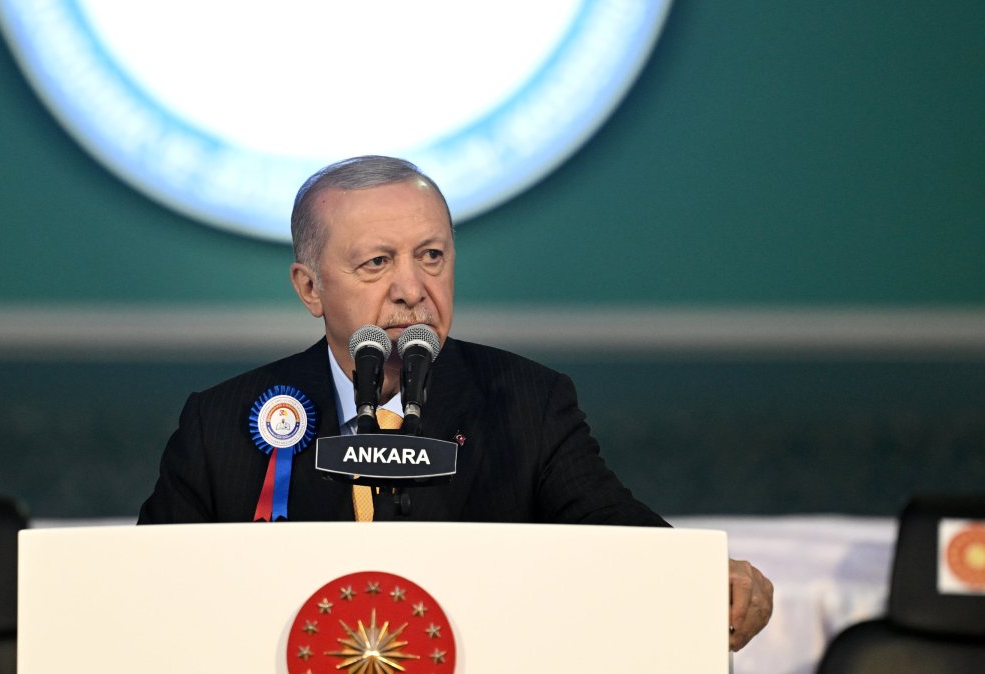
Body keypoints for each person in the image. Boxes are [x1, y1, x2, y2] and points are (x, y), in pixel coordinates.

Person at [138, 155, 773, 650]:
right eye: (376, 262)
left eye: (432, 257)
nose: (412, 289)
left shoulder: (526, 402)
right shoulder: (222, 423)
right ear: (310, 288)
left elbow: (618, 536)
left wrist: (709, 578)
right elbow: (146, 595)